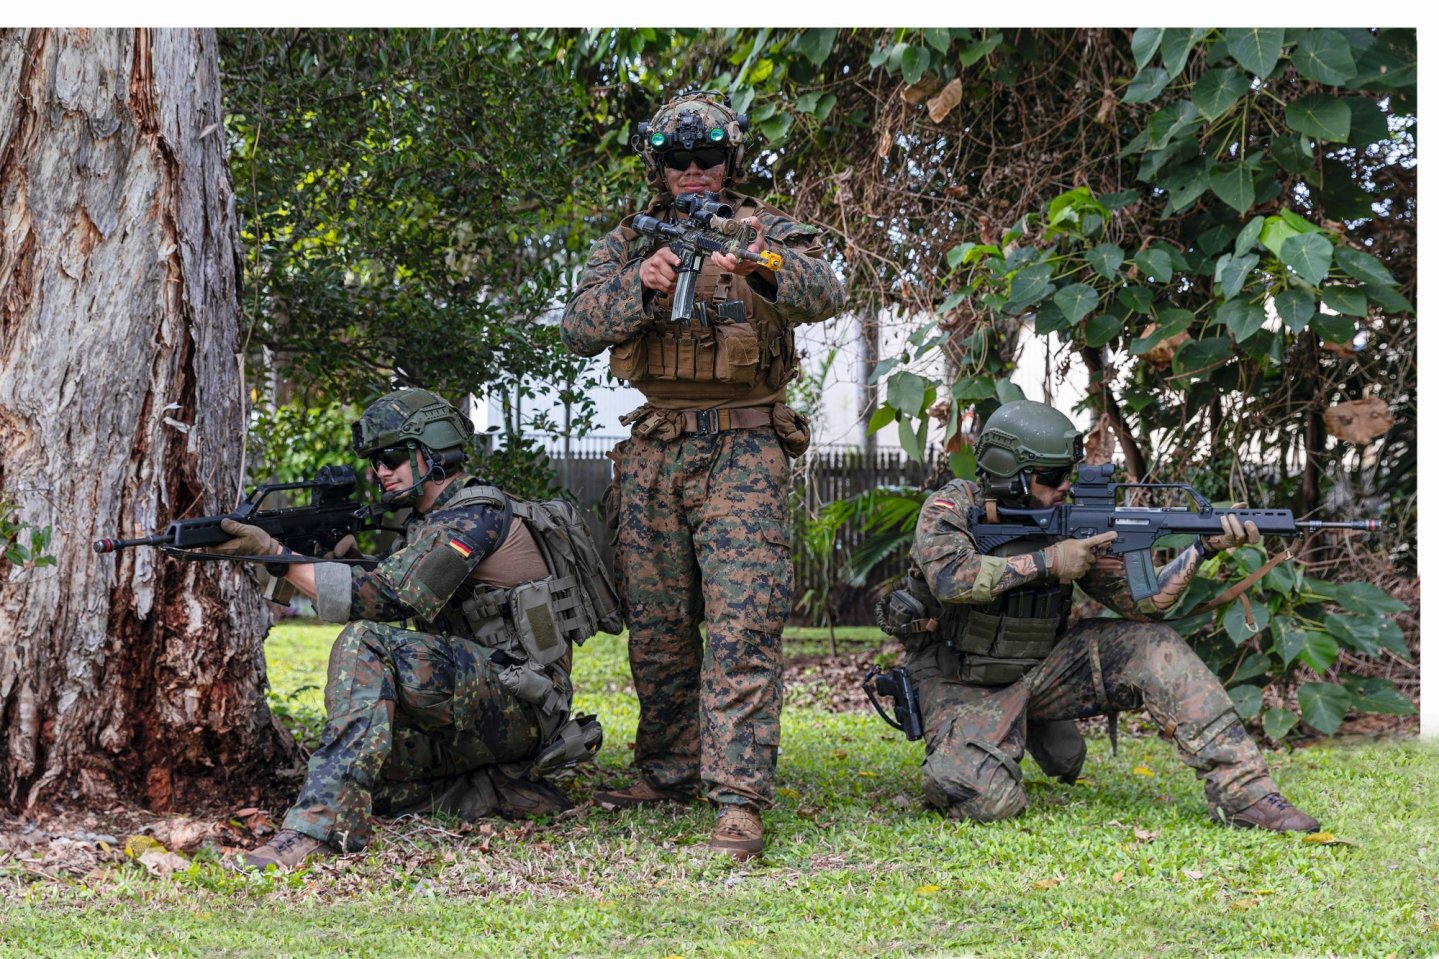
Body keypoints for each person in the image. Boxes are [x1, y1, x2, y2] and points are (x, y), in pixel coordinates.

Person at [560, 89, 843, 859]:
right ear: (657, 163)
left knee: (743, 625)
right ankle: (668, 767)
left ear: (731, 160)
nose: (693, 172)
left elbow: (829, 286)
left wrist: (760, 264)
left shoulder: (766, 229)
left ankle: (739, 796)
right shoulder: (628, 241)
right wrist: (639, 286)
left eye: (707, 158)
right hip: (656, 446)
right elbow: (577, 327)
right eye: (677, 160)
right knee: (657, 627)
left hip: (745, 447)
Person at [879, 399, 1319, 832]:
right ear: (1009, 473)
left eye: (1067, 475)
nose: (1064, 487)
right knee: (983, 801)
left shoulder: (1072, 518)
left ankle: (1248, 795)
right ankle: (996, 733)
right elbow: (951, 579)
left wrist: (1202, 549)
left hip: (1042, 670)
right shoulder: (949, 508)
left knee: (1153, 646)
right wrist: (1051, 562)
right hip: (960, 680)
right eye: (1051, 477)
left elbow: (1144, 606)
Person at [218, 388, 601, 869]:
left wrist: (277, 557)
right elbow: (398, 596)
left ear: (434, 452)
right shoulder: (431, 522)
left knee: (364, 644)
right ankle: (499, 789)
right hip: (479, 705)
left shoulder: (474, 517)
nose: (381, 470)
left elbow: (389, 598)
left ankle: (317, 830)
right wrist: (339, 560)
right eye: (376, 460)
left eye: (394, 456)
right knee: (369, 771)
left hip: (521, 704)